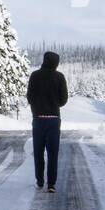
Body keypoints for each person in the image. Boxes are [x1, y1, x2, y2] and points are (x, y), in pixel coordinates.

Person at [26, 50, 68, 192]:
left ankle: (39, 180)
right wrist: (54, 104)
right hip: (54, 120)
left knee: (38, 152)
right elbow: (64, 100)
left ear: (44, 60)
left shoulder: (34, 76)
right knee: (53, 153)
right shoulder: (60, 77)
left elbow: (29, 97)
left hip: (38, 119)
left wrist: (37, 107)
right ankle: (51, 184)